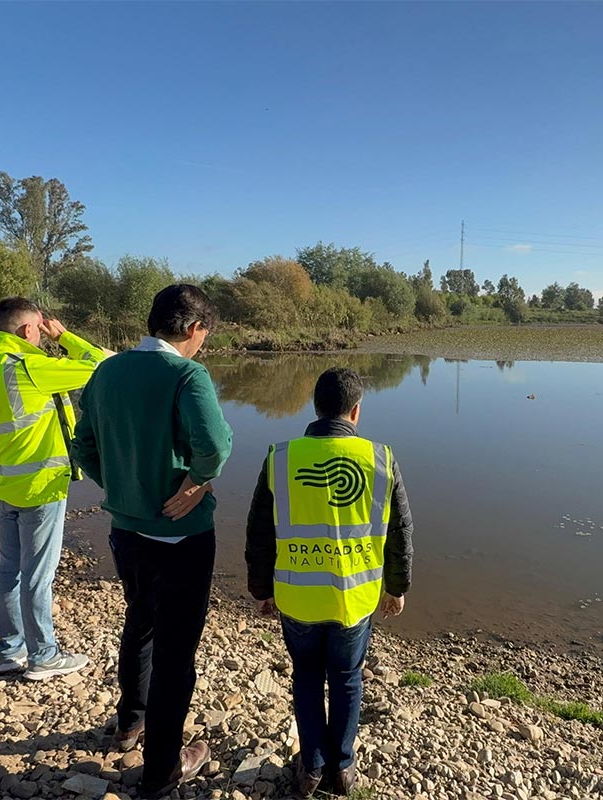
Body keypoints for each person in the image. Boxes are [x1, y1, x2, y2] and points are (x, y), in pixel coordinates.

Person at [72, 284, 233, 800]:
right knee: (176, 651)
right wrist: (197, 481)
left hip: (125, 529)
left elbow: (85, 445)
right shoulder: (187, 373)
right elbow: (215, 446)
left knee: (139, 619)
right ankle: (164, 769)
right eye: (204, 335)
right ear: (194, 329)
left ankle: (129, 722)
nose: (203, 344)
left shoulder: (106, 371)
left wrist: (118, 487)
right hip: (181, 535)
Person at [245, 367, 414, 798]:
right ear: (356, 411)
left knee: (305, 677)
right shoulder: (381, 458)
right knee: (347, 678)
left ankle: (312, 768)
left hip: (297, 597)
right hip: (353, 600)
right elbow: (401, 532)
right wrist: (396, 587)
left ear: (314, 407)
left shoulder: (281, 456)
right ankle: (342, 768)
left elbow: (259, 531)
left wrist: (262, 590)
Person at [0, 297, 110, 680]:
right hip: (40, 488)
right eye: (39, 329)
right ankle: (44, 657)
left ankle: (10, 653)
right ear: (28, 330)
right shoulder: (29, 366)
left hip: (1, 486)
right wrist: (66, 336)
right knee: (38, 575)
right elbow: (101, 366)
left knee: (9, 571)